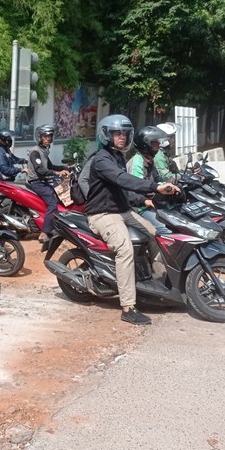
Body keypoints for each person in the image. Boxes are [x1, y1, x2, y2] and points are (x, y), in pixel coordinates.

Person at [84, 115, 179, 326]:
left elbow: (123, 191)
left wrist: (145, 200)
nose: (122, 137)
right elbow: (122, 179)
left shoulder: (117, 157)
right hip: (102, 214)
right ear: (106, 135)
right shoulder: (101, 160)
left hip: (123, 210)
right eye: (117, 133)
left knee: (155, 234)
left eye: (125, 133)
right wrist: (154, 188)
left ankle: (158, 281)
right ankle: (128, 307)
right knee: (125, 249)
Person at [26, 124, 70, 243]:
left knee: (57, 196)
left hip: (43, 181)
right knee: (52, 204)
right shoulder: (35, 152)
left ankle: (53, 225)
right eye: (45, 136)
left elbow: (50, 166)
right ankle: (44, 233)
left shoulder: (43, 151)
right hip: (37, 182)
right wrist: (58, 172)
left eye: (49, 136)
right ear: (39, 137)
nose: (48, 139)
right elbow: (40, 170)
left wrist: (65, 167)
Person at [129, 126, 172, 235]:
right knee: (166, 230)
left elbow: (158, 180)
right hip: (141, 208)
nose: (158, 145)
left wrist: (169, 185)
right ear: (145, 144)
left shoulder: (149, 160)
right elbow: (140, 186)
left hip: (153, 203)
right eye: (155, 143)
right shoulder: (137, 161)